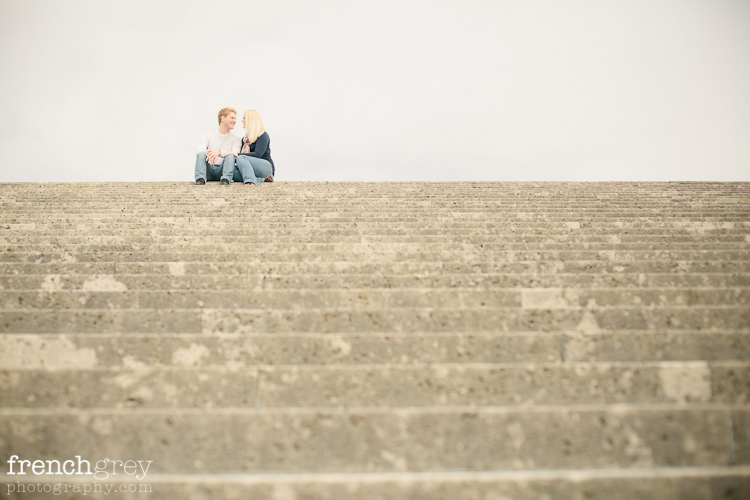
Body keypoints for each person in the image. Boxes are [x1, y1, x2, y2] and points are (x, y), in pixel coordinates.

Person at [194, 107, 242, 185]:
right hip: (208, 169)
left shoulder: (236, 139)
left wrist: (219, 152)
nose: (234, 121)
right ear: (223, 118)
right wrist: (211, 154)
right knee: (201, 154)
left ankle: (226, 180)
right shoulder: (208, 135)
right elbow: (199, 150)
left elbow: (235, 154)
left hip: (223, 170)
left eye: (235, 119)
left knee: (230, 156)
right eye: (232, 118)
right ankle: (200, 179)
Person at [236, 109, 275, 186]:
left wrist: (237, 155)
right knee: (232, 170)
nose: (242, 121)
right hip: (251, 170)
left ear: (250, 120)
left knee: (240, 158)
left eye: (244, 118)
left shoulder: (263, 135)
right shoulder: (244, 140)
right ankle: (260, 180)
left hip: (265, 167)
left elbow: (258, 154)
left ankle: (251, 180)